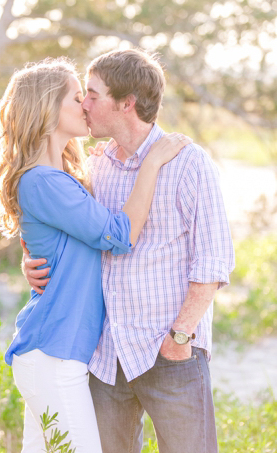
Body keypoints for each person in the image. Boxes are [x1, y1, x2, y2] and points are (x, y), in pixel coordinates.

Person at [23, 49, 235, 453]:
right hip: (106, 357)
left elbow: (212, 264)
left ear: (126, 103)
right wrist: (31, 262)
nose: (84, 104)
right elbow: (72, 231)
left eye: (93, 94)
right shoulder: (95, 164)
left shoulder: (189, 164)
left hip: (169, 352)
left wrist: (179, 337)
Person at [0, 57, 191, 453]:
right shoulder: (43, 181)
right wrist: (151, 162)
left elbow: (54, 246)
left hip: (59, 356)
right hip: (53, 355)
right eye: (77, 97)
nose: (85, 105)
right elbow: (118, 235)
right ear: (48, 109)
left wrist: (30, 260)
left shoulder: (58, 177)